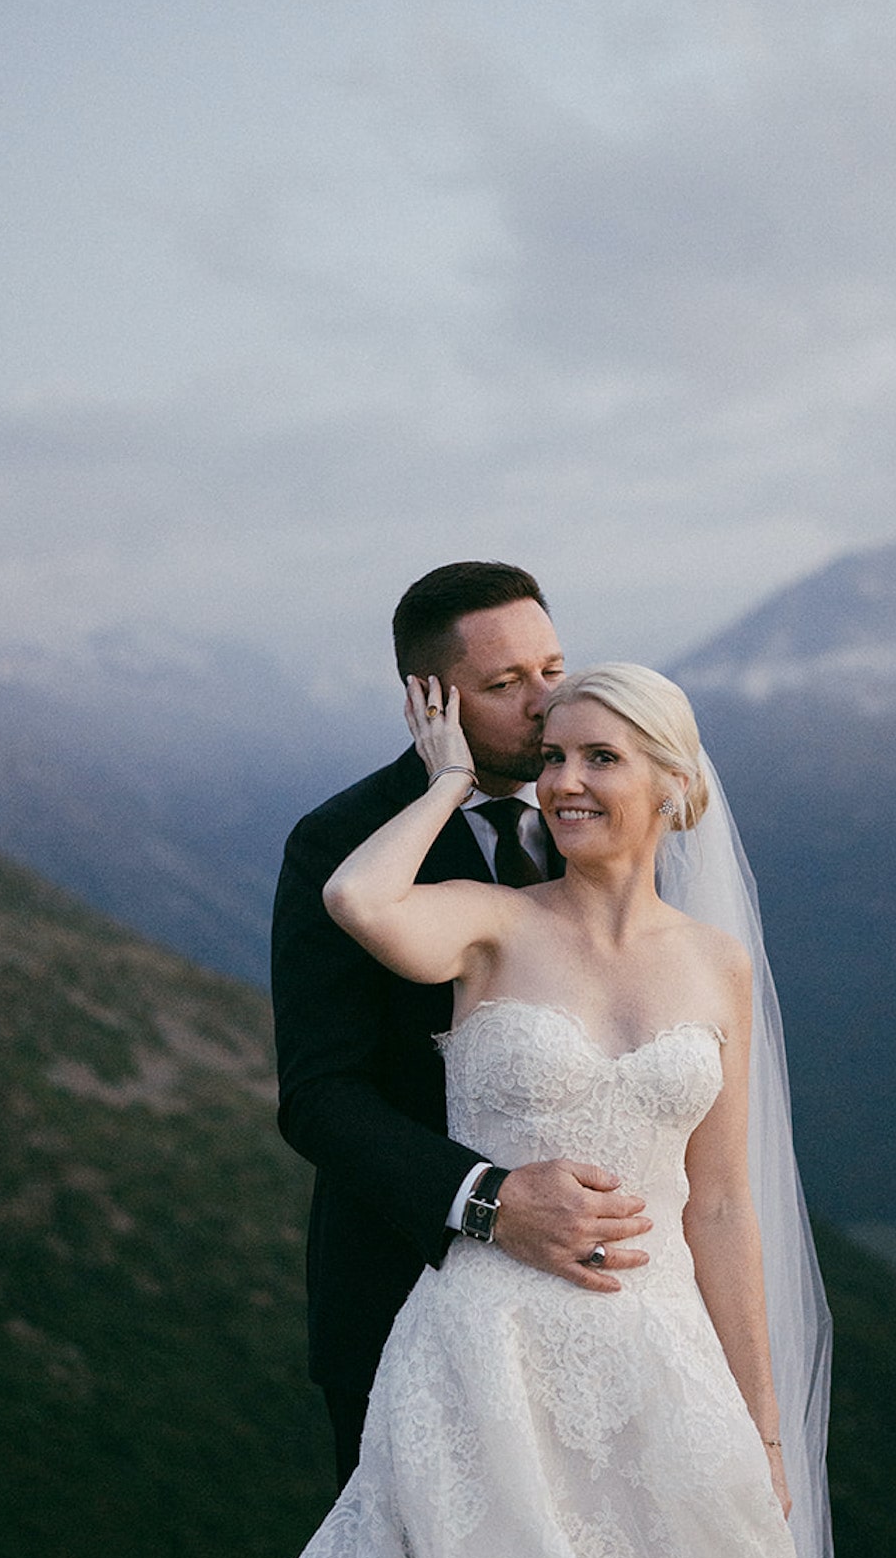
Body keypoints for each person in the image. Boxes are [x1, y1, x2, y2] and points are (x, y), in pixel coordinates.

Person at [173, 663, 896, 1558]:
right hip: (487, 1355)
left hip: (657, 1353)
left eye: (598, 758)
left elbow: (720, 1207)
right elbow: (359, 897)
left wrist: (762, 1427)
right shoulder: (491, 921)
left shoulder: (718, 963)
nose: (561, 780)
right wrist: (448, 774)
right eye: (552, 754)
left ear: (675, 784)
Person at [272, 563, 656, 1488]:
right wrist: (489, 1201)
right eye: (504, 683)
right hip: (410, 1285)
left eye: (553, 667)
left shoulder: (606, 812)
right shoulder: (340, 841)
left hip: (605, 1288)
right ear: (429, 699)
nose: (546, 702)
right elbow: (319, 1096)